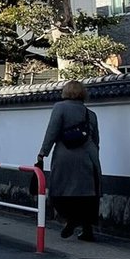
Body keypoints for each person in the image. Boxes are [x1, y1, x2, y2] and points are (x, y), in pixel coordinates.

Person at [37, 79, 101, 241]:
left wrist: (43, 152)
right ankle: (87, 229)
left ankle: (71, 219)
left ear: (65, 92)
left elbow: (52, 131)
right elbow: (96, 140)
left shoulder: (60, 108)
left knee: (61, 190)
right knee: (88, 194)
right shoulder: (90, 114)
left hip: (65, 155)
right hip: (88, 156)